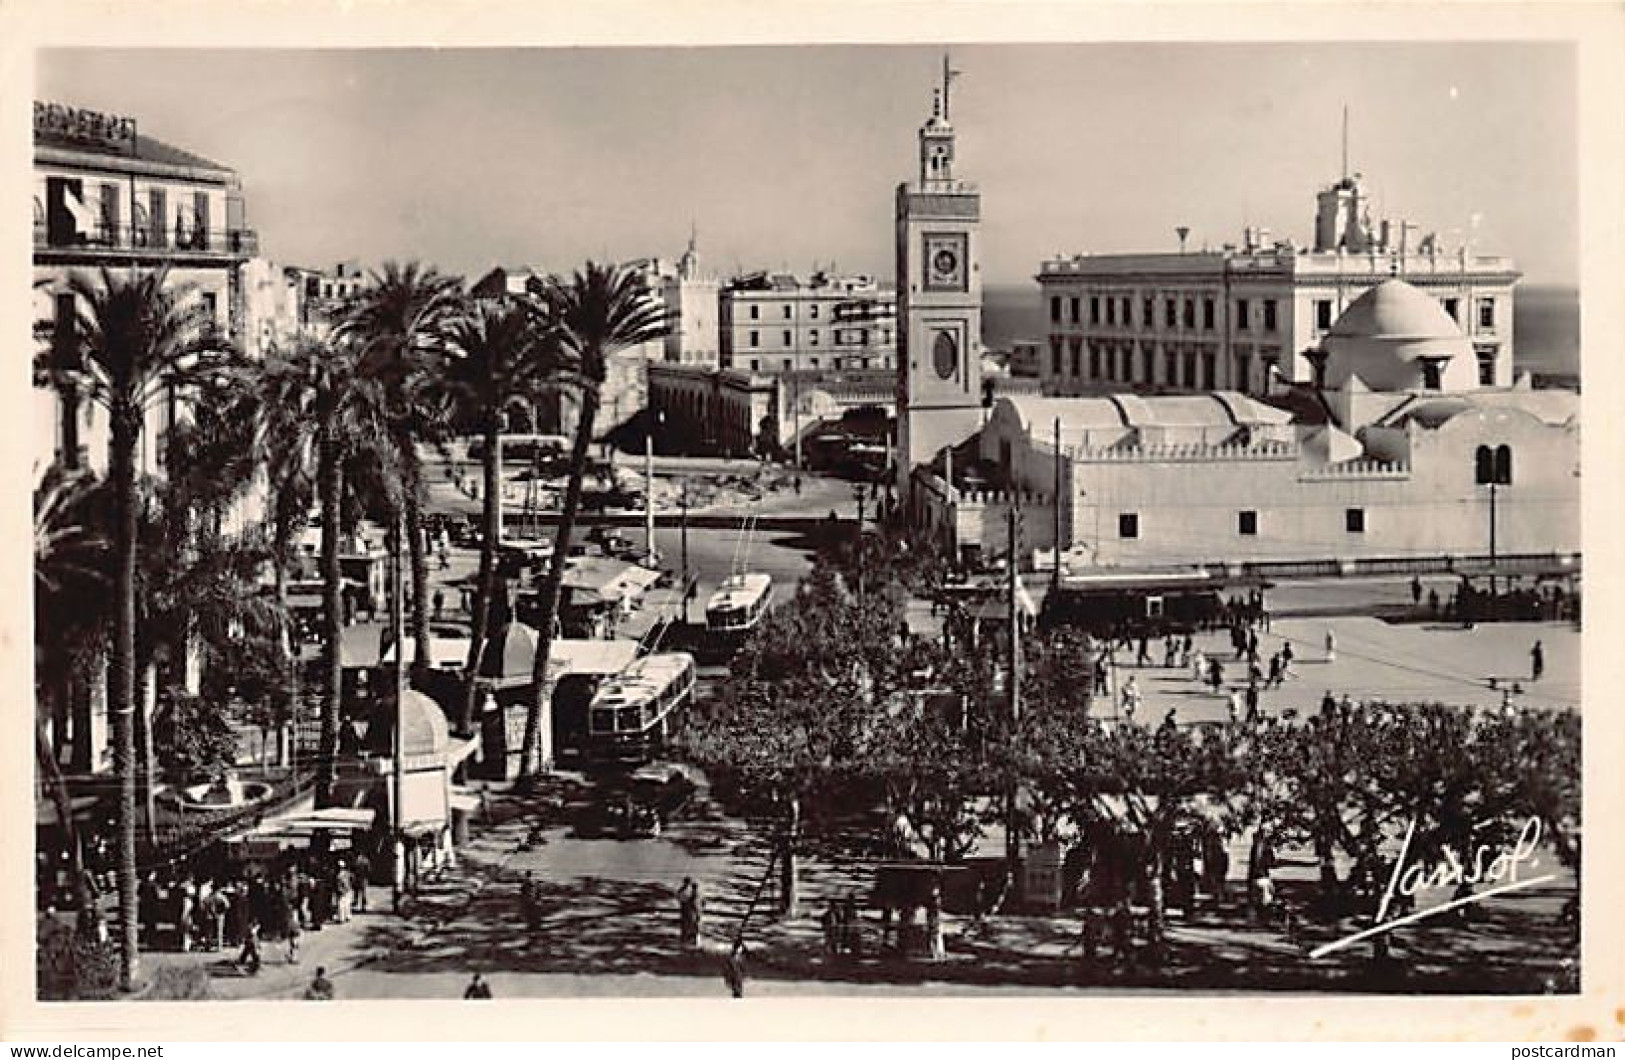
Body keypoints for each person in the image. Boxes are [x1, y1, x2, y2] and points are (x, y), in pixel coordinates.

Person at [677, 877, 701, 948]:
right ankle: (689, 940)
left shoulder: (692, 894)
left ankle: (690, 940)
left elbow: (684, 900)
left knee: (690, 925)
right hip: (689, 910)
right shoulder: (685, 892)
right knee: (690, 925)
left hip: (690, 910)